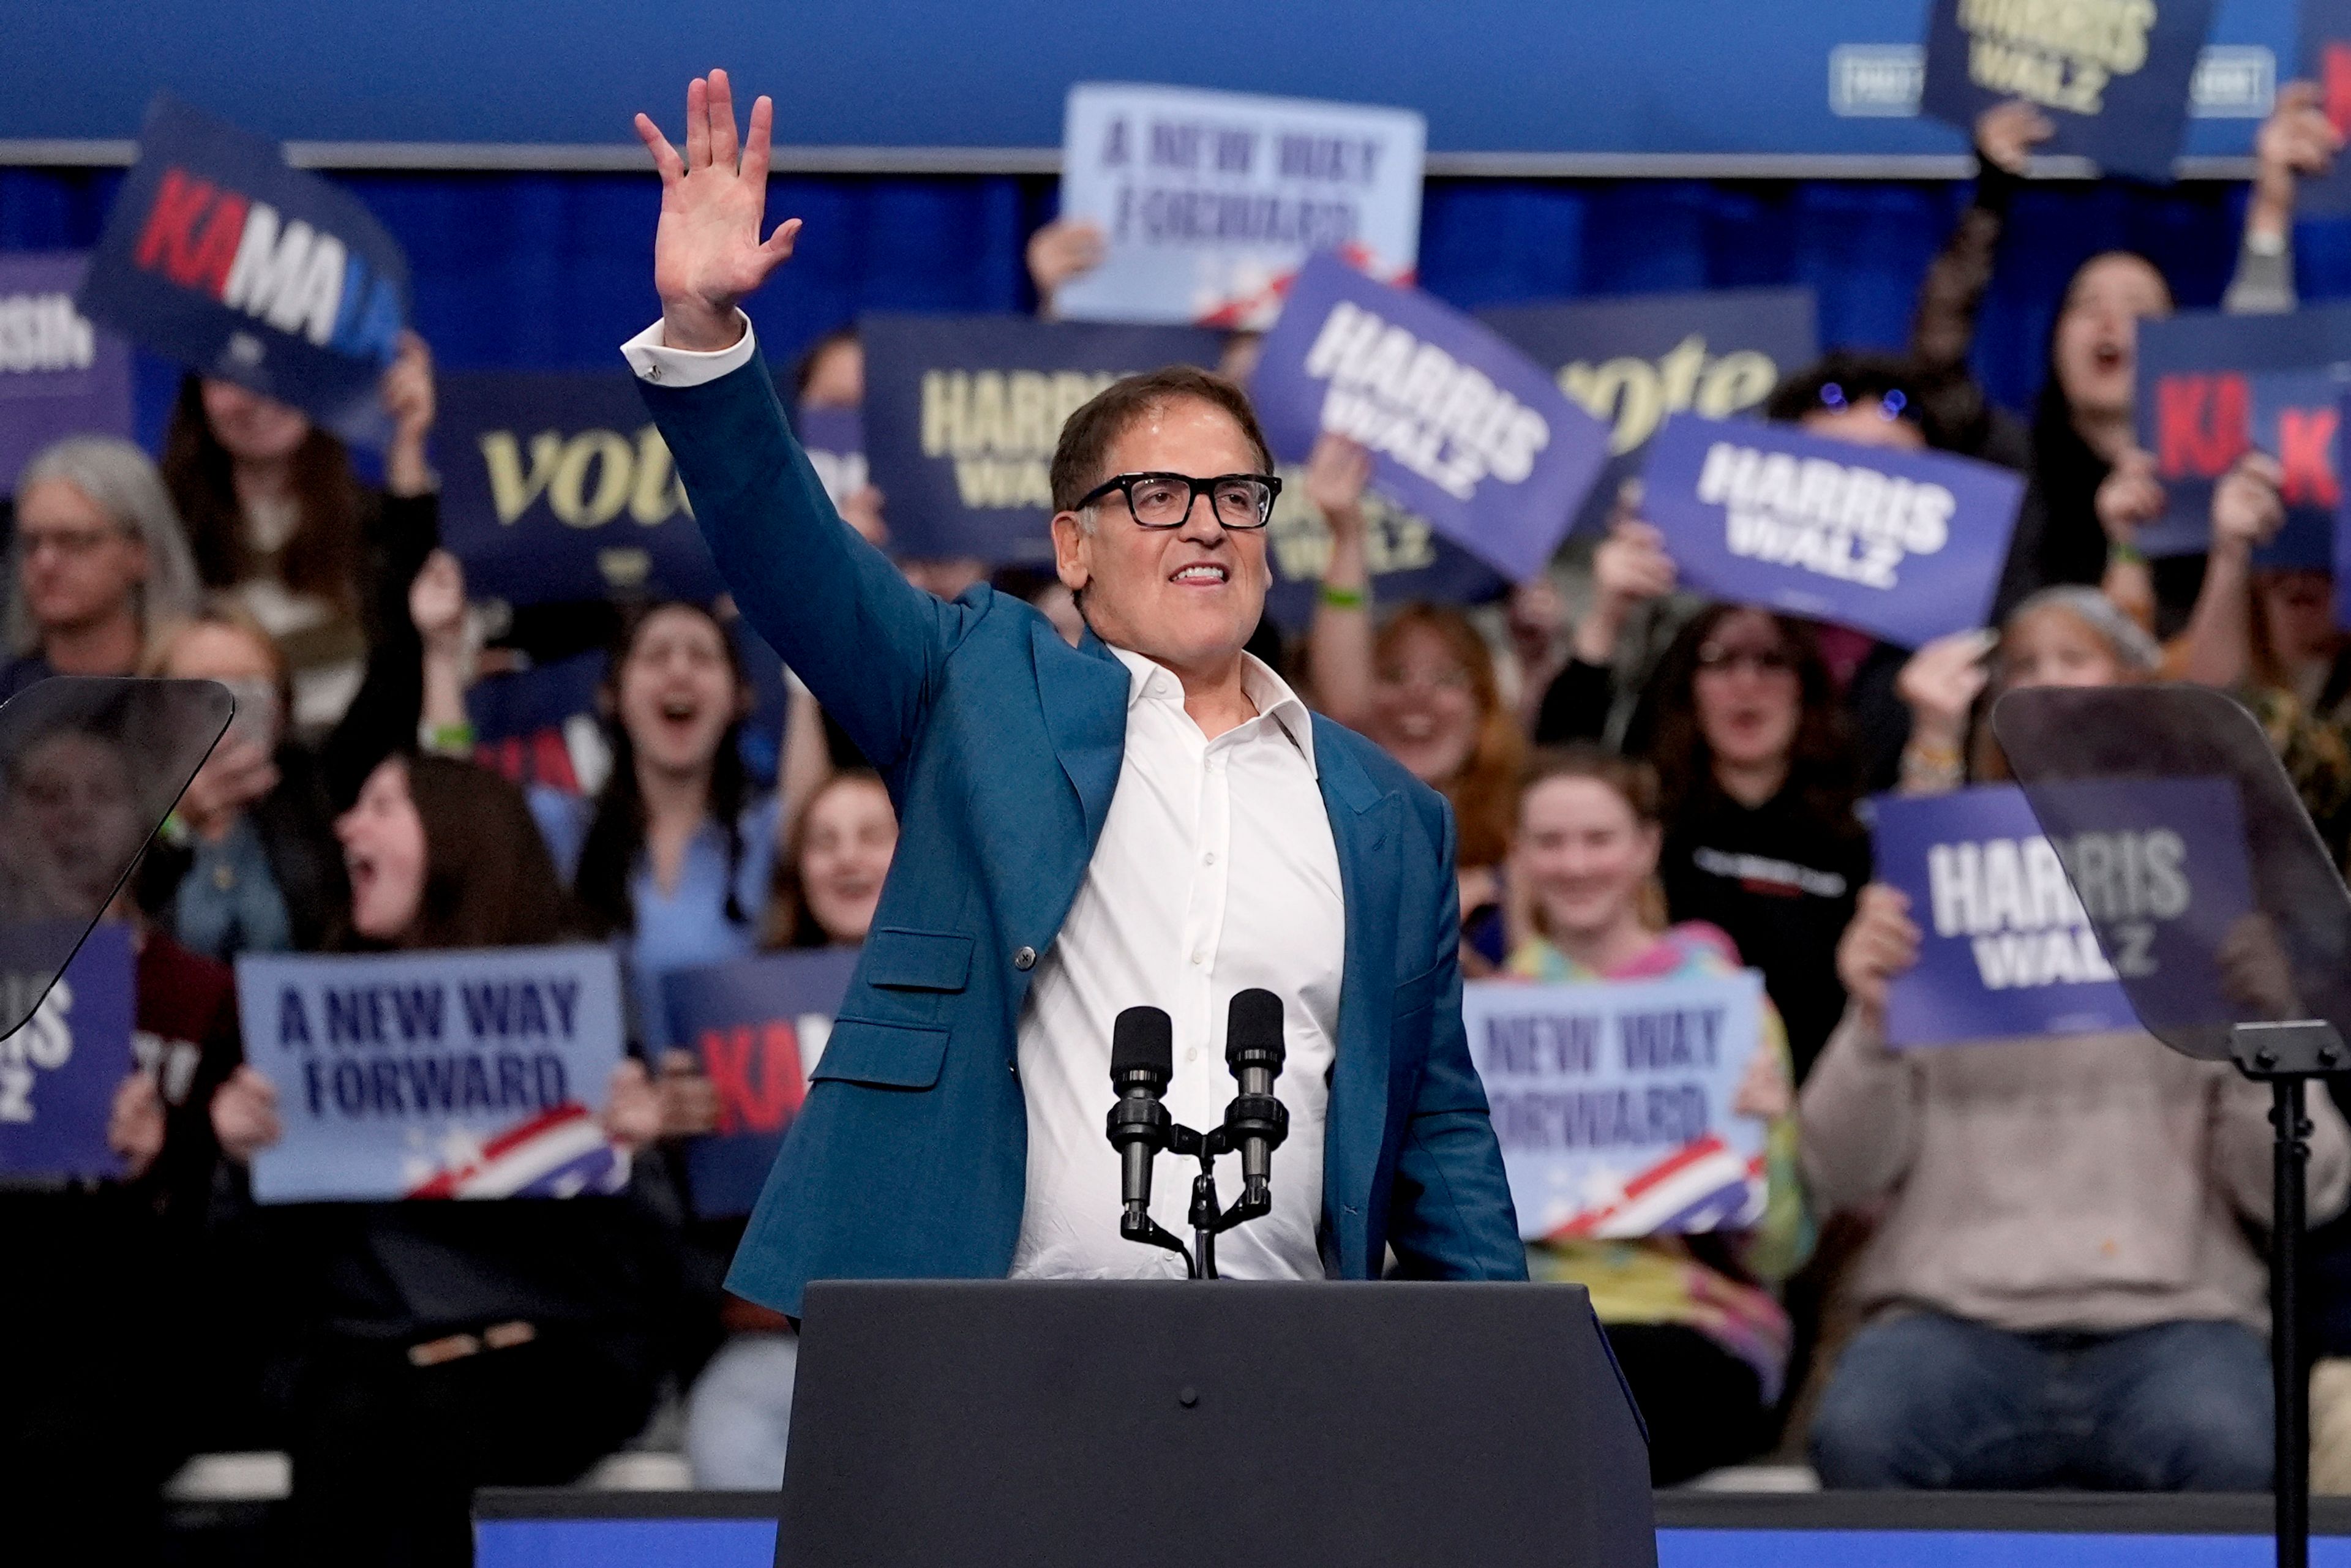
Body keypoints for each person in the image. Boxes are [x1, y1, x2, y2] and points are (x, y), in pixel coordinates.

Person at [623, 70, 1523, 1315]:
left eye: (1237, 496)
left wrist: (1498, 1395)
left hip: (1291, 1364)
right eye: (1158, 494)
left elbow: (1440, 1133)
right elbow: (793, 555)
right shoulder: (977, 686)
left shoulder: (1388, 812)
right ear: (1073, 546)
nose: (1205, 522)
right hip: (989, 1347)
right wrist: (708, 341)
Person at [1804, 586, 2351, 1490]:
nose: (2048, 687)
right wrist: (1874, 1021)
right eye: (2024, 667)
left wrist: (2265, 1031)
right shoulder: (1933, 900)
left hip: (2176, 1323)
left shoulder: (2209, 886)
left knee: (2232, 1446)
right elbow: (1836, 1169)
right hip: (1953, 1320)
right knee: (1860, 1431)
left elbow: (2307, 1188)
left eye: (2074, 660)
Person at [208, 754, 677, 1568]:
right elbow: (252, 1277)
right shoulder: (313, 1012)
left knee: (441, 1429)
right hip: (363, 1359)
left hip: (543, 1356)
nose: (348, 827)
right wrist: (243, 1163)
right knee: (350, 1441)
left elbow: (651, 1263)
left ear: (460, 836)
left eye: (381, 806)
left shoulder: (575, 998)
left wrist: (632, 1153)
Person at [1506, 748, 1810, 1484]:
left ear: (1647, 846)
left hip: (1694, 1323)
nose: (1575, 864)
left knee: (1606, 1394)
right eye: (1550, 841)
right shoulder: (1491, 1018)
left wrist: (1764, 1137)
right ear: (1519, 853)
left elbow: (1780, 1254)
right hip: (1529, 1325)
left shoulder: (1725, 1004)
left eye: (1599, 839)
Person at [685, 767, 899, 1490]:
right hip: (776, 1344)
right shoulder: (731, 1018)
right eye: (824, 841)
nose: (847, 858)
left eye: (873, 836)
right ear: (797, 870)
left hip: (933, 1331)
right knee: (732, 1427)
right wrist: (669, 1133)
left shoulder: (986, 995)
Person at [159, 333, 441, 733]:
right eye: (231, 375)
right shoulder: (160, 529)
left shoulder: (384, 524)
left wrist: (408, 448)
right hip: (211, 777)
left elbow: (418, 657)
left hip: (362, 774)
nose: (258, 396)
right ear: (197, 394)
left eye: (284, 369)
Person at [530, 599, 781, 1048]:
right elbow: (462, 822)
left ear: (740, 698)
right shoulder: (563, 828)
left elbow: (815, 807)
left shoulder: (766, 832)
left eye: (702, 656)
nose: (679, 672)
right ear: (612, 696)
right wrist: (441, 653)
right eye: (655, 655)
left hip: (742, 1109)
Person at [2, 435, 203, 699]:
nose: (45, 563)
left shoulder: (194, 686)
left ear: (140, 551)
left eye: (75, 541)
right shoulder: (8, 696)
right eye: (31, 543)